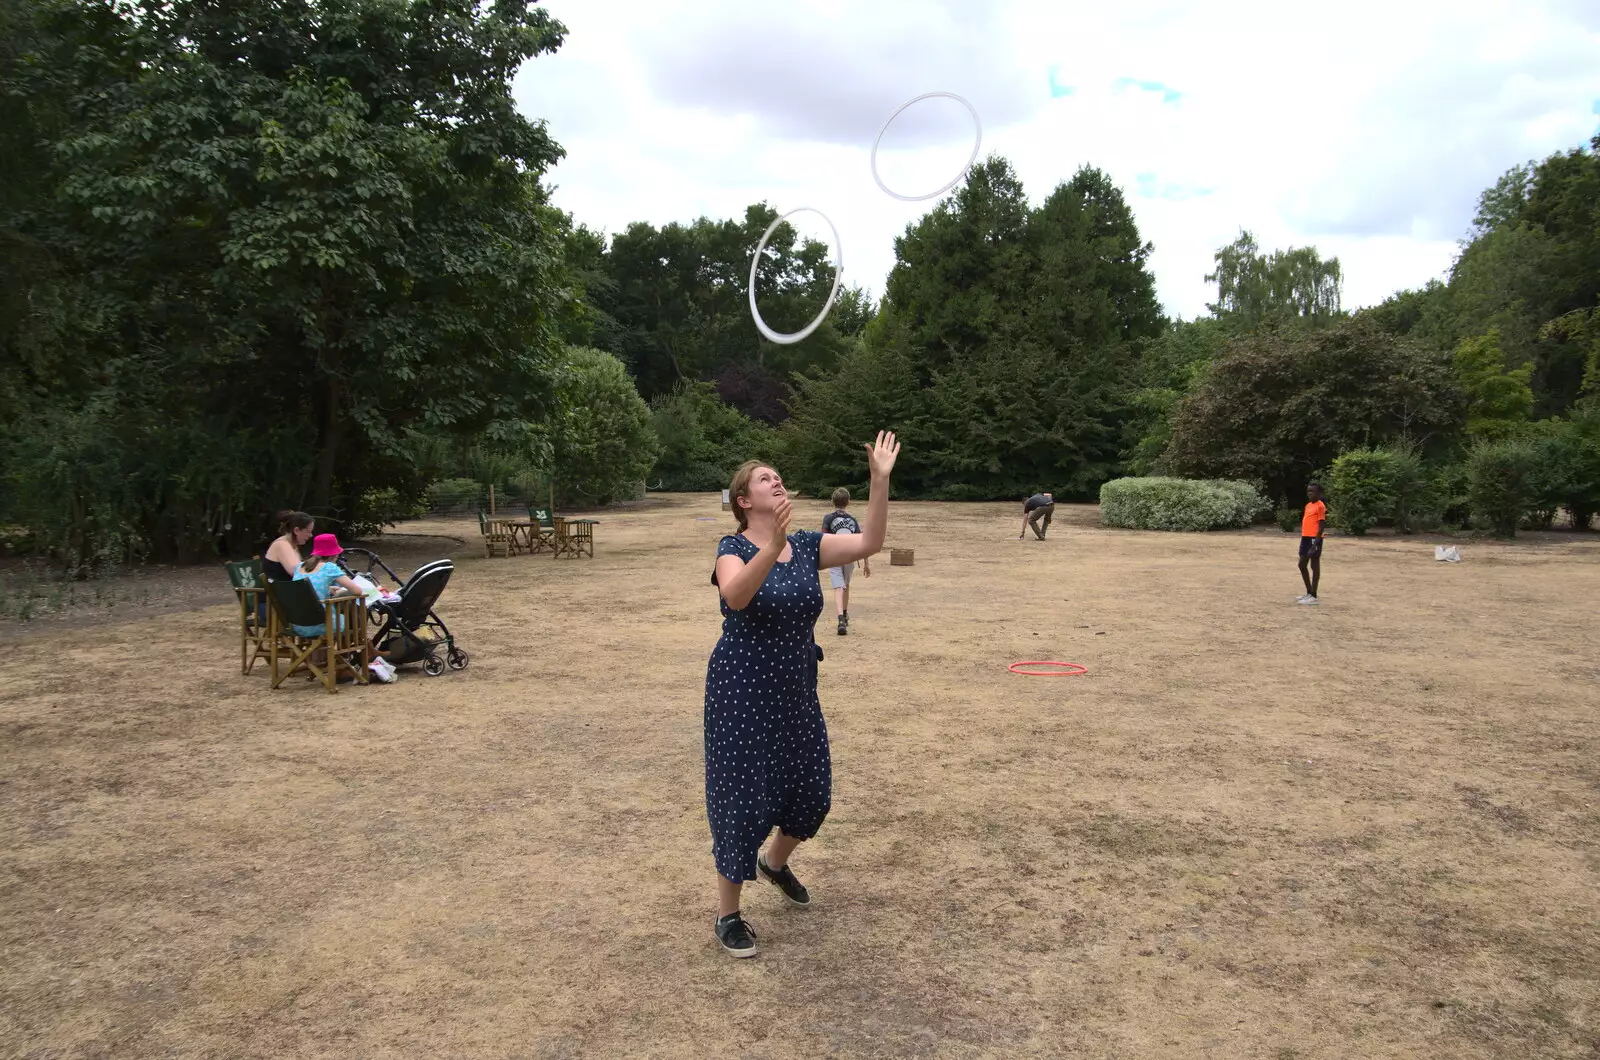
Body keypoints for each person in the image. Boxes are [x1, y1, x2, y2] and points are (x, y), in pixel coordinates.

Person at [704, 431, 900, 958]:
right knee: (741, 800)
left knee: (813, 792)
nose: (777, 480)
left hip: (794, 690)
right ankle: (728, 914)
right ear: (745, 500)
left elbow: (871, 543)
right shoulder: (734, 547)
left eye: (778, 475)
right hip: (741, 691)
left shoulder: (810, 544)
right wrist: (770, 547)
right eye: (765, 478)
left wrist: (878, 482)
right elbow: (736, 595)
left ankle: (774, 862)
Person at [821, 487, 870, 636]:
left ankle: (840, 619)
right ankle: (845, 612)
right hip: (849, 557)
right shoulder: (852, 520)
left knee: (838, 587)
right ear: (849, 501)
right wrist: (866, 563)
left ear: (832, 502)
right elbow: (862, 542)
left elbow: (822, 539)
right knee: (846, 586)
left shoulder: (828, 518)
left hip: (834, 556)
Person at [1298, 482, 1327, 606]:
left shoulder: (1320, 506)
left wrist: (1315, 544)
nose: (1310, 493)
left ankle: (1314, 595)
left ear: (1319, 493)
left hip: (1314, 539)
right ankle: (1309, 592)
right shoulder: (1308, 505)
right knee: (1301, 564)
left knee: (1314, 566)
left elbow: (1321, 527)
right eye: (1308, 491)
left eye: (1312, 491)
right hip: (1305, 538)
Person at [265, 511, 314, 581]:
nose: (311, 535)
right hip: (282, 590)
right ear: (296, 530)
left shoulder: (292, 544)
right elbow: (297, 572)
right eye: (309, 531)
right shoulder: (281, 545)